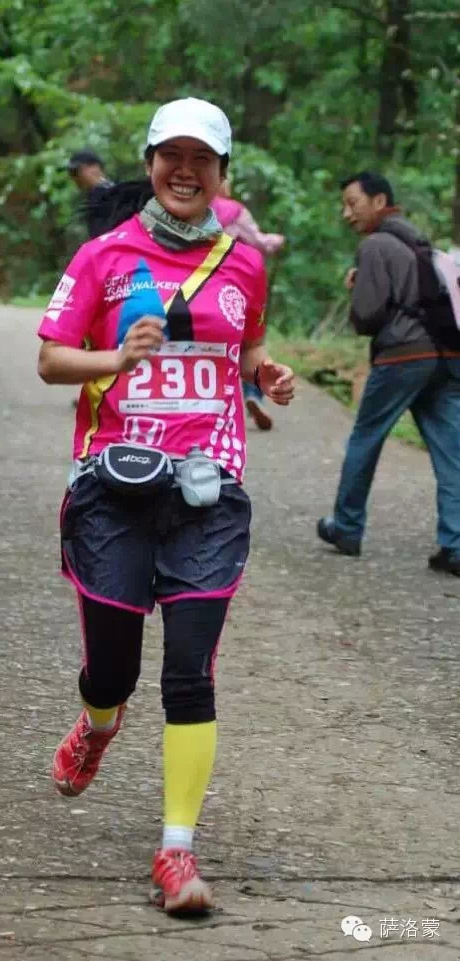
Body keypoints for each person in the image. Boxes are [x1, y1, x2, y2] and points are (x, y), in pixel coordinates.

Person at [37, 97, 295, 914]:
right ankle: (98, 723)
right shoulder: (104, 256)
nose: (185, 171)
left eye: (202, 159)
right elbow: (50, 360)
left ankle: (176, 852)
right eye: (169, 155)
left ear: (224, 172)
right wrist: (118, 353)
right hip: (113, 486)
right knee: (112, 669)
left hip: (207, 489)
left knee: (190, 672)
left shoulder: (245, 262)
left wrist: (265, 373)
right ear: (148, 162)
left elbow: (246, 344)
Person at [317, 171, 460, 575]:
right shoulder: (419, 241)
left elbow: (367, 316)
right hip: (446, 355)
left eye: (352, 202)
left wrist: (356, 287)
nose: (347, 213)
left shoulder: (376, 244)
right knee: (451, 451)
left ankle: (346, 526)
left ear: (379, 202)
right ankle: (456, 543)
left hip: (403, 356)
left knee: (366, 436)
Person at [212, 178, 285, 431]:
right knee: (248, 343)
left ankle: (213, 400)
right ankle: (253, 395)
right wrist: (276, 240)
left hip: (203, 287)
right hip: (236, 284)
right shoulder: (235, 211)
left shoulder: (194, 211)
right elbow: (258, 242)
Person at [66, 149, 115, 238]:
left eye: (78, 171)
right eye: (72, 174)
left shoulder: (111, 195)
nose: (76, 178)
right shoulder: (95, 196)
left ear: (95, 168)